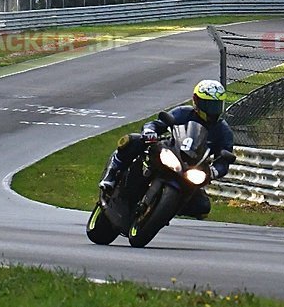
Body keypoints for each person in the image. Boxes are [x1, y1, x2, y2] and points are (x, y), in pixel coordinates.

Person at [99, 79, 233, 217]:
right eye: (209, 105)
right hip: (171, 151)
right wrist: (150, 132)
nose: (213, 110)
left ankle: (166, 211)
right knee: (133, 140)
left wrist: (214, 171)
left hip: (192, 169)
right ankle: (111, 176)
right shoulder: (183, 112)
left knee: (202, 207)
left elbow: (225, 159)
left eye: (216, 105)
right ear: (196, 100)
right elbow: (157, 124)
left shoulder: (223, 131)